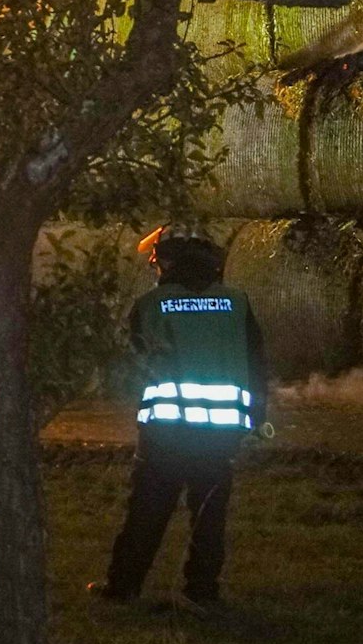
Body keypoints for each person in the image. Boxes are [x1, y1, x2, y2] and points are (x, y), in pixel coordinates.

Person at [89, 225, 269, 612]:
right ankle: (202, 592)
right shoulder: (237, 303)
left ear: (166, 260)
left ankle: (123, 588)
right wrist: (256, 415)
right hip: (222, 433)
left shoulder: (151, 305)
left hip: (166, 432)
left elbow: (130, 364)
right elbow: (257, 364)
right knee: (208, 516)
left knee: (148, 512)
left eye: (156, 261)